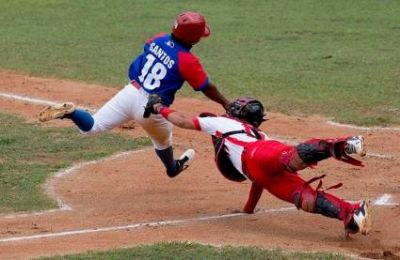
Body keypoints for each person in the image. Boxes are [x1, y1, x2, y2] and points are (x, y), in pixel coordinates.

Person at [144, 95, 371, 238]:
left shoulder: (222, 122)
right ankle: (351, 213)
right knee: (305, 198)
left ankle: (346, 143)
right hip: (260, 172)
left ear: (238, 114)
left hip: (254, 155)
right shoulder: (260, 134)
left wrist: (159, 108)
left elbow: (183, 121)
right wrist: (249, 208)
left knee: (291, 158)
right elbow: (257, 180)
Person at [38, 11, 229, 178]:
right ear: (193, 38)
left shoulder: (159, 38)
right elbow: (206, 86)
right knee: (163, 141)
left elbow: (150, 52)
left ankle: (71, 112)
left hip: (130, 92)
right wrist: (225, 103)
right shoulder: (187, 60)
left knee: (92, 126)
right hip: (152, 108)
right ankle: (172, 168)